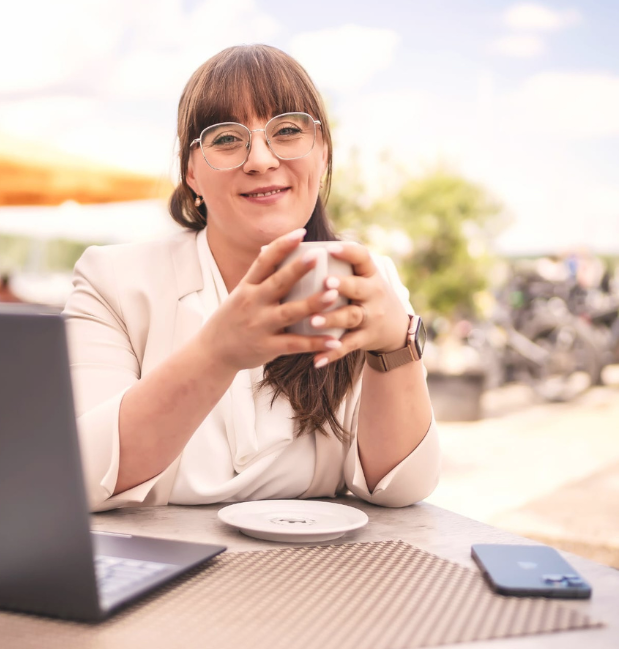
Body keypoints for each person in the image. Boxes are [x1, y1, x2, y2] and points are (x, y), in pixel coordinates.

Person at [64, 44, 440, 512]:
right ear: (192, 175)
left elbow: (401, 490)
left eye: (286, 131)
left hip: (321, 574)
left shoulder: (367, 277)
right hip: (159, 572)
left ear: (322, 155)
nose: (260, 159)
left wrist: (393, 346)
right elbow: (78, 476)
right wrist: (217, 353)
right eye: (226, 139)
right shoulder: (113, 281)